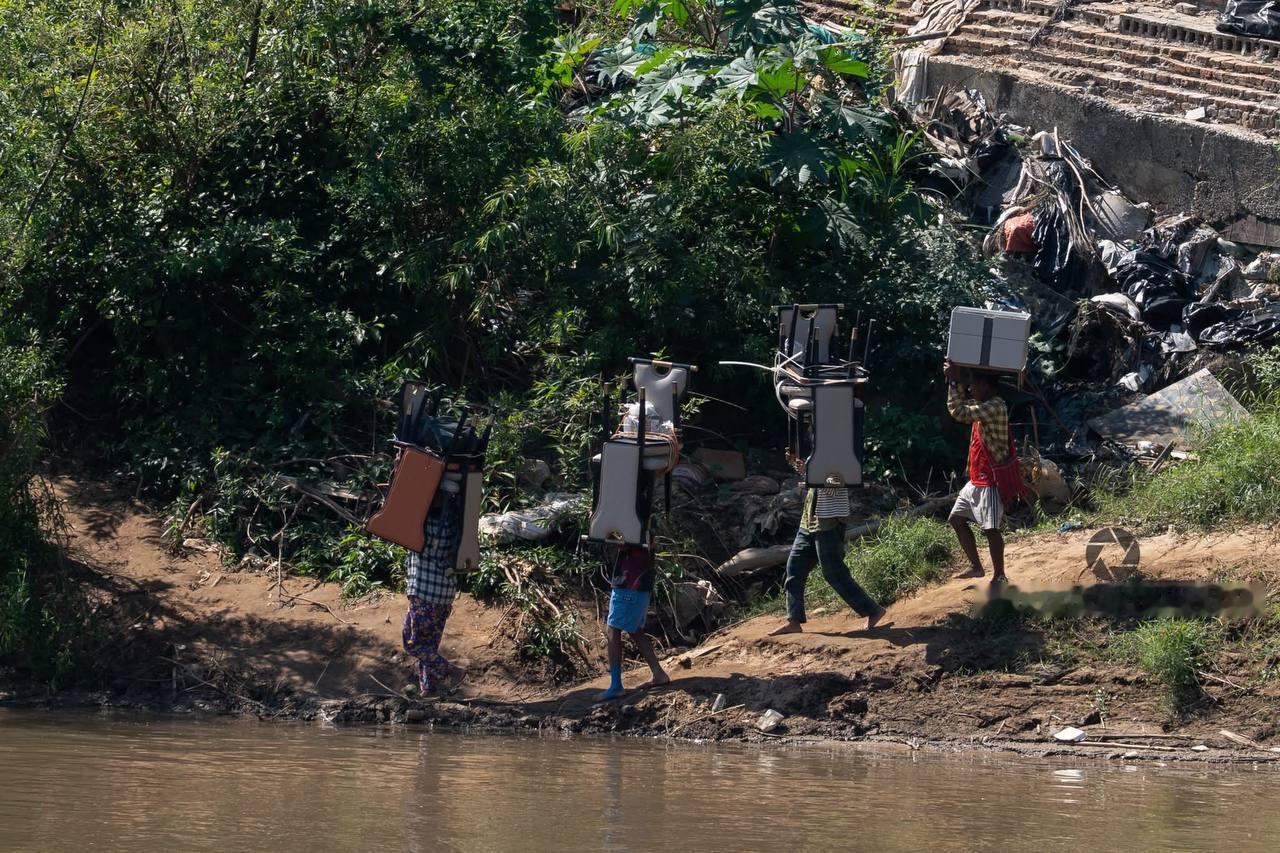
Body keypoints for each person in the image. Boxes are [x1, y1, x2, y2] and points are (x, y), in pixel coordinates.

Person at [769, 452, 885, 636]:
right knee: (794, 569)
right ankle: (793, 621)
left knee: (834, 573)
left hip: (828, 523)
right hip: (808, 522)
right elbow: (813, 483)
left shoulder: (841, 455)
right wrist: (803, 469)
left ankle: (873, 610)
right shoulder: (817, 454)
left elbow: (833, 488)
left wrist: (810, 472)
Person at [943, 358, 1013, 585]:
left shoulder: (995, 406)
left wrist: (954, 383)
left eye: (974, 384)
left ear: (986, 386)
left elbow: (959, 412)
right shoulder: (986, 404)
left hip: (991, 479)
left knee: (991, 529)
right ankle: (976, 567)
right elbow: (964, 405)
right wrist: (957, 380)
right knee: (956, 520)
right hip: (978, 478)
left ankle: (1000, 575)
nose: (971, 388)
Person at [403, 496, 466, 696]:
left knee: (412, 642)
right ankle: (428, 689)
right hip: (445, 592)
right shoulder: (455, 523)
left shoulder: (422, 525)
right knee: (429, 645)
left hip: (424, 591)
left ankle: (452, 671)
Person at [598, 541, 670, 701]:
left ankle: (616, 686)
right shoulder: (644, 520)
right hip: (639, 581)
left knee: (613, 629)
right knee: (635, 629)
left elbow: (628, 543)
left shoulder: (634, 519)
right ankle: (658, 674)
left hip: (629, 581)